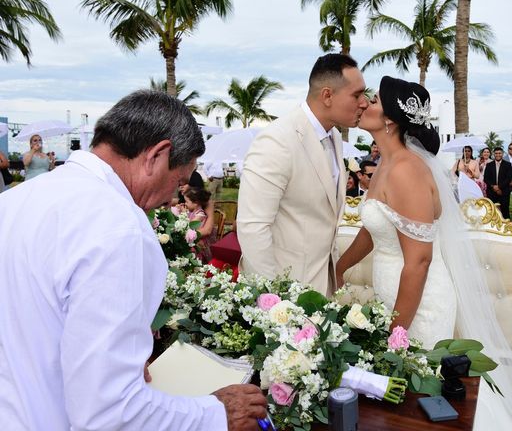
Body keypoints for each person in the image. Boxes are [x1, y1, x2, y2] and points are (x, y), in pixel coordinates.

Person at [0, 91, 267, 430]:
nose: (174, 195)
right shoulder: (118, 224)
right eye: (180, 180)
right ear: (157, 155)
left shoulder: (14, 201)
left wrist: (110, 358)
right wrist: (216, 414)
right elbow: (110, 413)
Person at [336, 76, 512, 430]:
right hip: (393, 287)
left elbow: (419, 260)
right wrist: (341, 266)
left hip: (418, 299)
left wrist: (398, 331)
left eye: (373, 100)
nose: (364, 103)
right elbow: (375, 228)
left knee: (422, 394)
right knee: (400, 399)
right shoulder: (386, 165)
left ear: (391, 118)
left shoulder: (407, 170)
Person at [237, 53, 368, 295]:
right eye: (357, 95)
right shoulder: (277, 140)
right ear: (327, 95)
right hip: (285, 294)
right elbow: (253, 228)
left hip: (322, 290)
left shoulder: (336, 138)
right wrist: (274, 300)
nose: (364, 103)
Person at [483, 147, 512, 219]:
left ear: (502, 154)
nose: (498, 155)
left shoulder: (508, 165)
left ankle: (507, 227)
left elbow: (508, 178)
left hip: (504, 191)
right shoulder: (489, 165)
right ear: (493, 154)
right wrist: (494, 187)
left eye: (499, 153)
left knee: (505, 211)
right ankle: (493, 228)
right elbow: (486, 178)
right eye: (496, 153)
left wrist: (499, 187)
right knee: (493, 211)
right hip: (491, 192)